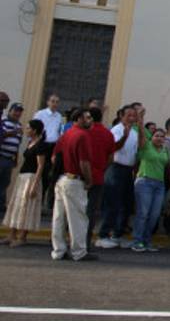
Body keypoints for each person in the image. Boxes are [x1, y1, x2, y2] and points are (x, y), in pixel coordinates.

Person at [51, 108, 95, 261]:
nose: (90, 120)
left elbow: (54, 157)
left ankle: (58, 250)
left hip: (62, 178)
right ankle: (79, 252)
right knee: (77, 218)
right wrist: (89, 180)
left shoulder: (67, 134)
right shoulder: (82, 135)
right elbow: (84, 162)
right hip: (75, 181)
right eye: (87, 117)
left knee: (59, 218)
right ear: (78, 119)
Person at [96, 105, 138, 249]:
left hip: (128, 170)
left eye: (134, 115)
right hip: (116, 168)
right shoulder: (116, 130)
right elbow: (113, 147)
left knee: (125, 204)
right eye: (129, 115)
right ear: (121, 116)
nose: (132, 118)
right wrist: (124, 137)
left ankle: (117, 234)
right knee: (112, 203)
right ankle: (103, 235)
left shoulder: (134, 132)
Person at [131, 114, 170, 253]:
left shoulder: (166, 150)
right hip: (144, 182)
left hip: (159, 184)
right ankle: (137, 241)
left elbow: (169, 167)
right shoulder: (146, 146)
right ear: (152, 137)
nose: (159, 138)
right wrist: (140, 120)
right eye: (156, 136)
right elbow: (141, 135)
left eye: (162, 136)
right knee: (143, 213)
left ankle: (147, 240)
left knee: (154, 215)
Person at [1, 119, 46, 246]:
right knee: (17, 205)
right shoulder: (30, 142)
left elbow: (40, 166)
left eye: (28, 128)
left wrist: (34, 185)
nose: (26, 130)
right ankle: (12, 234)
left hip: (31, 177)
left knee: (27, 207)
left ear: (34, 130)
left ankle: (22, 237)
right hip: (23, 177)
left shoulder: (40, 145)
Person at [85, 106, 114, 249]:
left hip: (82, 176)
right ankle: (86, 240)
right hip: (98, 175)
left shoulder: (85, 132)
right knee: (91, 210)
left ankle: (74, 239)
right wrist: (102, 168)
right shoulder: (108, 134)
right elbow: (111, 157)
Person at [0, 102, 24, 213]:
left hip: (9, 159)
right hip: (1, 156)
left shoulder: (19, 125)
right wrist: (14, 132)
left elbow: (17, 144)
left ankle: (1, 208)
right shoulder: (3, 121)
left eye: (20, 112)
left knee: (4, 184)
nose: (17, 113)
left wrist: (16, 158)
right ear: (10, 110)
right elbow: (1, 136)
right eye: (16, 110)